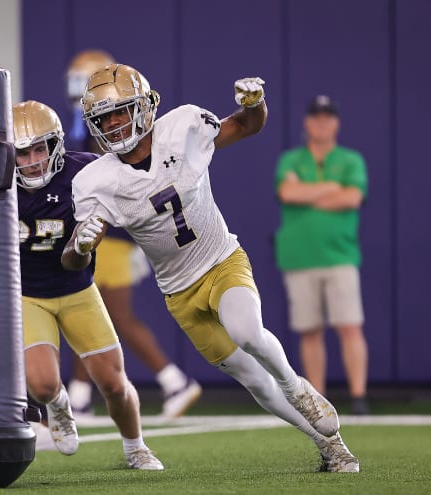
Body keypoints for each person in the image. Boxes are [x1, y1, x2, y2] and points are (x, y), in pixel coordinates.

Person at [62, 64, 359, 472]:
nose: (113, 124)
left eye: (120, 112)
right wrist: (81, 244)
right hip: (178, 292)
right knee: (253, 380)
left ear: (145, 107)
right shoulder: (95, 180)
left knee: (247, 331)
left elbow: (245, 126)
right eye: (103, 118)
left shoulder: (182, 127)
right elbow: (75, 258)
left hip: (220, 260)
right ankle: (328, 445)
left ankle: (296, 385)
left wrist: (256, 104)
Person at [12, 100, 164, 470]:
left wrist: (82, 245)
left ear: (56, 147)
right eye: (22, 152)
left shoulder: (87, 174)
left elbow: (74, 261)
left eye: (39, 149)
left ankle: (135, 446)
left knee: (113, 383)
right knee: (43, 384)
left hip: (77, 288)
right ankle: (60, 406)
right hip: (28, 295)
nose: (32, 160)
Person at [64, 49, 201, 419]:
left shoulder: (112, 124)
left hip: (116, 232)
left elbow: (108, 160)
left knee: (106, 315)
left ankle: (172, 379)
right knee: (96, 313)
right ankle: (80, 394)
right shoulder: (88, 122)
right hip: (113, 231)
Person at [275, 95, 369, 415]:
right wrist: (331, 188)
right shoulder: (290, 160)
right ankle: (319, 399)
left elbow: (353, 198)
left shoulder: (351, 160)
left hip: (340, 254)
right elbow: (287, 193)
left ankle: (358, 396)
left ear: (336, 123)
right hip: (299, 257)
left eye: (327, 117)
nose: (321, 122)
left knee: (349, 326)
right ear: (307, 122)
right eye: (316, 116)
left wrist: (308, 194)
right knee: (310, 330)